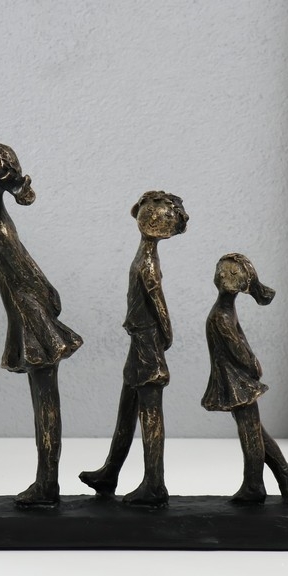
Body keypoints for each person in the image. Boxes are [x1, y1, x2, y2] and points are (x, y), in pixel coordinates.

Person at [0, 143, 82, 505]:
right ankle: (46, 482)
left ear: (1, 175)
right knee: (43, 401)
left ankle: (47, 484)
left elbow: (27, 272)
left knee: (45, 403)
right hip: (25, 315)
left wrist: (48, 300)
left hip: (34, 319)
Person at [80, 191, 188, 506]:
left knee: (150, 411)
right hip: (139, 339)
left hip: (147, 341)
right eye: (149, 210)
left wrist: (165, 332)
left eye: (160, 215)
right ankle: (110, 472)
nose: (151, 217)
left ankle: (154, 484)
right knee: (127, 407)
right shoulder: (144, 254)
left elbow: (157, 299)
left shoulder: (149, 261)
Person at [201, 253, 288, 503]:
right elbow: (240, 342)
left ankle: (254, 485)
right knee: (255, 430)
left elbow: (239, 349)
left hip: (237, 382)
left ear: (242, 284)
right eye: (221, 269)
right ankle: (285, 473)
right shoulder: (224, 310)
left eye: (232, 273)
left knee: (250, 434)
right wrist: (252, 364)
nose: (223, 274)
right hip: (233, 379)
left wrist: (252, 365)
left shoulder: (220, 316)